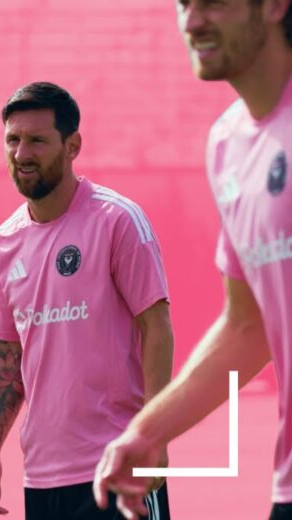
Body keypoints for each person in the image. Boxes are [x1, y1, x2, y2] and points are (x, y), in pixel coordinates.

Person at [93, 1, 292, 518]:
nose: (193, 22)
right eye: (184, 4)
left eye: (214, 3)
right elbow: (248, 325)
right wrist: (148, 431)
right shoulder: (227, 145)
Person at [0, 82, 174, 519]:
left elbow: (156, 326)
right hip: (42, 478)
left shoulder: (117, 220)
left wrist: (153, 435)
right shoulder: (3, 243)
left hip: (118, 464)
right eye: (13, 139)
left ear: (72, 146)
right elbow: (9, 351)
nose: (22, 153)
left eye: (37, 140)